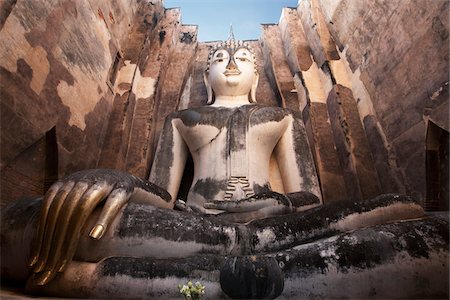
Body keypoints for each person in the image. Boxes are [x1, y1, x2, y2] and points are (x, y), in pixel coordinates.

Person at [1, 39, 431, 299]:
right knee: (38, 218)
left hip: (277, 230)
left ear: (256, 74)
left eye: (242, 57)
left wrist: (277, 201)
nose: (229, 63)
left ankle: (111, 282)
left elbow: (311, 198)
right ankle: (270, 278)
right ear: (205, 74)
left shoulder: (279, 118)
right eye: (220, 57)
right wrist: (125, 183)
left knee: (406, 212)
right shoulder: (182, 119)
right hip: (197, 228)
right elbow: (164, 196)